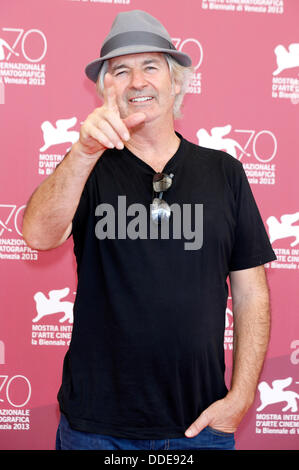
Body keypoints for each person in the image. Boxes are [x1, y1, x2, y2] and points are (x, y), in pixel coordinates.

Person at [22, 10, 276, 451]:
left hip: (199, 426)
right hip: (94, 431)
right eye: (121, 70)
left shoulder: (224, 173)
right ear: (105, 90)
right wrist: (83, 152)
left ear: (176, 83)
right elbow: (38, 235)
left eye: (151, 67)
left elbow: (252, 292)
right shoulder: (88, 169)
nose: (137, 81)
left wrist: (241, 396)